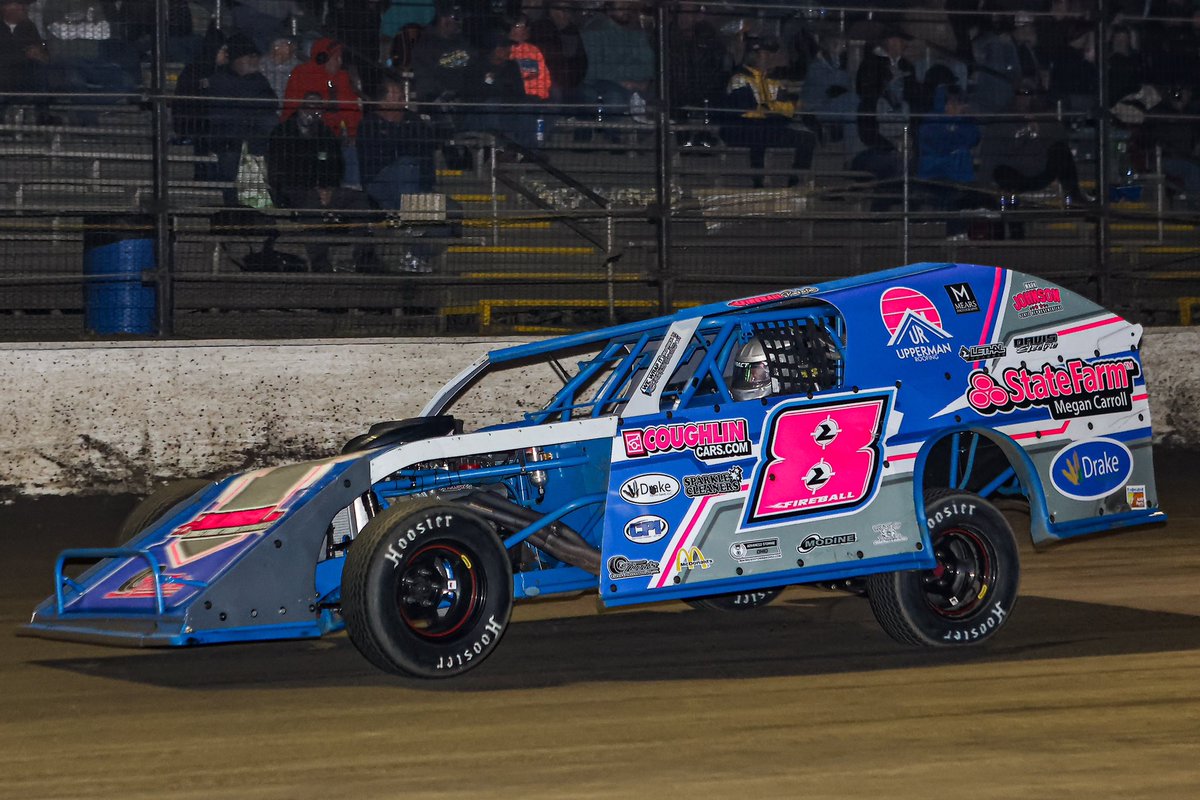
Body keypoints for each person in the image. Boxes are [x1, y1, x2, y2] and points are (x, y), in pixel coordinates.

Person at [267, 93, 377, 271]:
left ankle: (364, 257)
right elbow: (280, 171)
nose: (312, 112)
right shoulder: (282, 133)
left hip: (324, 190)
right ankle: (320, 262)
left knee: (358, 199)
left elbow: (334, 165)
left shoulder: (325, 134)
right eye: (309, 107)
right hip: (292, 191)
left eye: (317, 108)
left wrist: (328, 188)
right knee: (312, 203)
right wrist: (314, 188)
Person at [719, 36, 815, 189]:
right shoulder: (739, 79)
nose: (770, 58)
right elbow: (745, 110)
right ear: (753, 55)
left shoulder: (773, 82)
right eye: (766, 54)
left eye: (771, 54)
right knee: (758, 133)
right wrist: (774, 110)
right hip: (741, 129)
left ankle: (795, 181)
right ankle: (758, 182)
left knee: (807, 138)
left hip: (769, 126)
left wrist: (768, 109)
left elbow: (789, 108)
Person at [979, 81, 1092, 207]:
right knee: (1000, 171)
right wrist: (1024, 132)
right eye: (1020, 93)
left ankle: (1074, 197)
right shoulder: (1003, 117)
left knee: (1061, 150)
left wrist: (1039, 128)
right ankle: (1009, 205)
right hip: (1014, 172)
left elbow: (1060, 134)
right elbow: (994, 150)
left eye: (1028, 93)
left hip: (1039, 171)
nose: (1023, 98)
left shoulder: (1043, 114)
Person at [207, 33, 279, 203]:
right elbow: (222, 113)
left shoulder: (259, 80)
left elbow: (271, 103)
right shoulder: (220, 79)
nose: (255, 61)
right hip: (228, 140)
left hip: (254, 139)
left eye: (256, 57)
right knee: (230, 160)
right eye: (250, 57)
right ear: (237, 59)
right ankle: (232, 205)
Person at [917, 85, 983, 240]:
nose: (959, 107)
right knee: (953, 194)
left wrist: (955, 131)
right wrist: (953, 138)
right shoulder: (931, 122)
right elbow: (940, 145)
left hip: (961, 176)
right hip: (934, 175)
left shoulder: (965, 122)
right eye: (954, 103)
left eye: (960, 103)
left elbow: (972, 138)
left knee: (980, 196)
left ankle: (969, 235)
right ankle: (954, 234)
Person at [578, 0, 654, 121]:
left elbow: (648, 65)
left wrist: (640, 82)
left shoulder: (637, 33)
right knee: (615, 101)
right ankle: (614, 138)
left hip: (636, 85)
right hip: (603, 85)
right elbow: (593, 68)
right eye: (621, 7)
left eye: (628, 6)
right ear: (609, 8)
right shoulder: (594, 30)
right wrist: (622, 80)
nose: (626, 11)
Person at [800, 32, 858, 146]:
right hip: (815, 109)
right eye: (835, 43)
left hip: (833, 105)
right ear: (826, 45)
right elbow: (830, 87)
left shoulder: (840, 65)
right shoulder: (816, 66)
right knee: (852, 102)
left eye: (842, 44)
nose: (840, 47)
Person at [0, 0, 50, 103]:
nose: (24, 8)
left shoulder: (29, 27)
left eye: (24, 5)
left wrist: (38, 54)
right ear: (5, 7)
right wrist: (23, 55)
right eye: (18, 4)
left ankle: (42, 113)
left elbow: (38, 49)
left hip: (24, 74)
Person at [508, 13, 549, 101]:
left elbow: (530, 75)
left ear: (527, 31)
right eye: (513, 25)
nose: (514, 28)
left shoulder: (530, 50)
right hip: (510, 95)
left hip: (531, 95)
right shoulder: (502, 47)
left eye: (518, 25)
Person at [260, 35, 301, 102]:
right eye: (277, 45)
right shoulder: (260, 65)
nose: (280, 48)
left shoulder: (299, 67)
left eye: (285, 44)